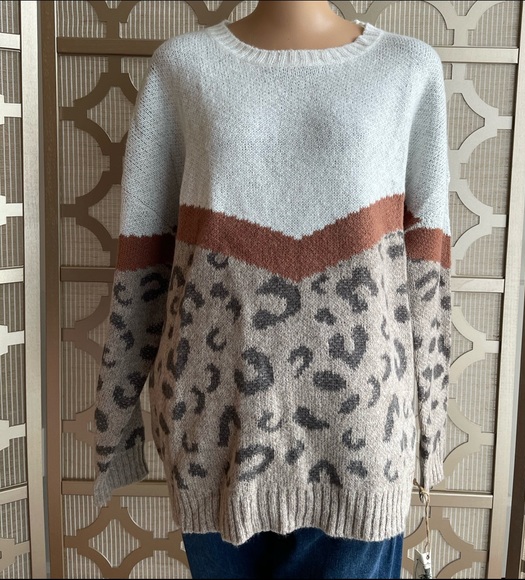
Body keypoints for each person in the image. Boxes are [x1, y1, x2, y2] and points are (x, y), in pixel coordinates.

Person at [93, 1, 452, 578]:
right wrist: (115, 425)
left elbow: (427, 267)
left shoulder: (408, 68)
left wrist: (431, 431)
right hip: (214, 431)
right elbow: (144, 255)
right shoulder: (183, 67)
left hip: (362, 437)